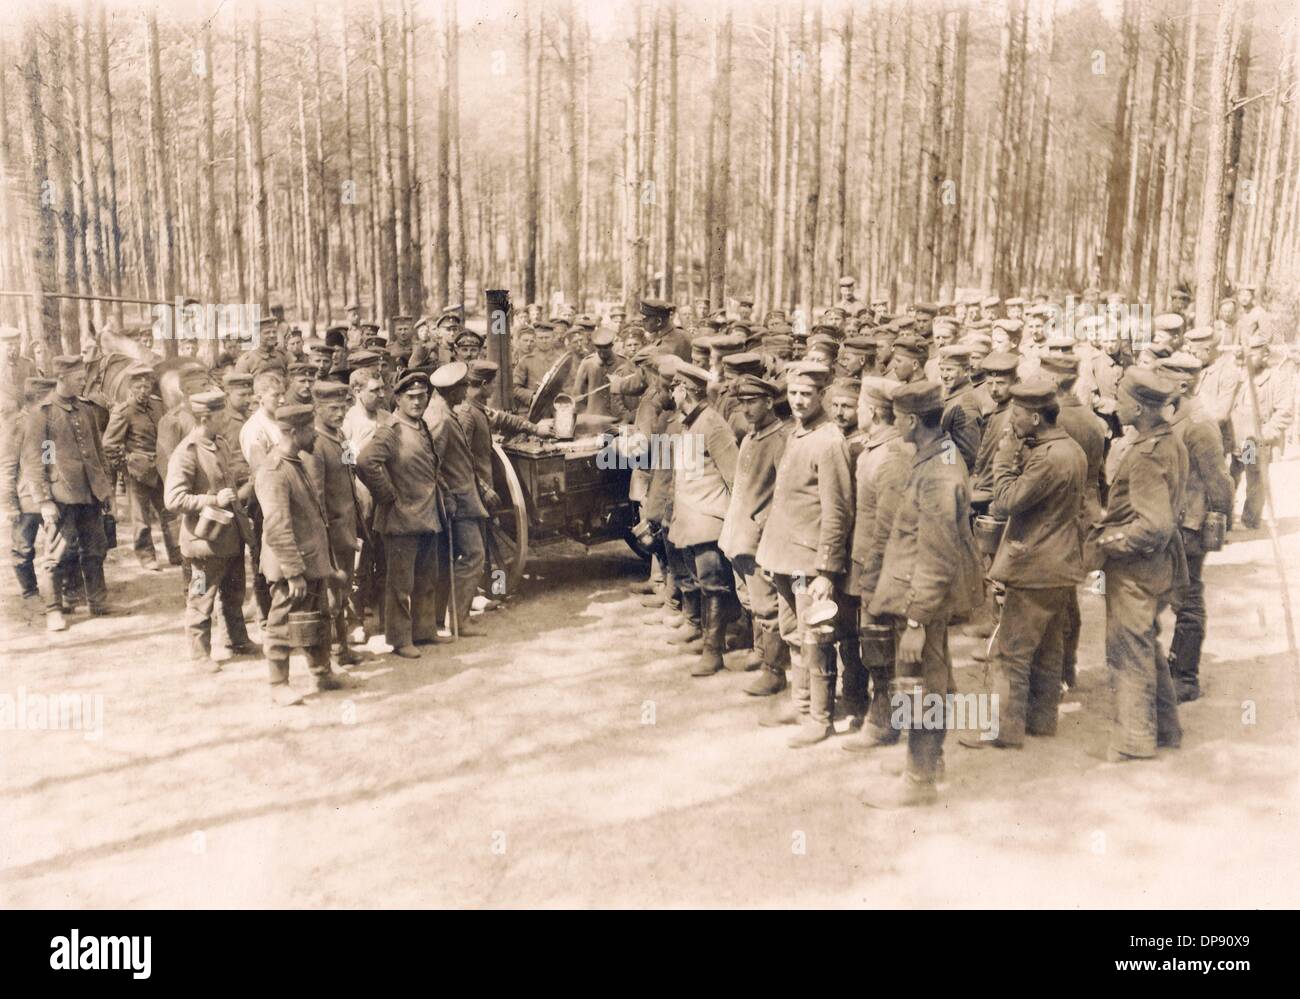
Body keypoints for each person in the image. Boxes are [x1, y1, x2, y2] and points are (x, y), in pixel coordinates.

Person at [863, 381, 984, 807]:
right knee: (933, 677)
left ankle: (919, 780)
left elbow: (935, 554)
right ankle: (930, 761)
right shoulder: (938, 454)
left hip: (924, 597)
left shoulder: (938, 472)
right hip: (923, 593)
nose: (894, 423)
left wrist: (916, 620)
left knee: (919, 684)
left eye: (897, 416)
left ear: (912, 420)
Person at [960, 378, 1085, 751]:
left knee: (1010, 653)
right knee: (1048, 649)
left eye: (1016, 414)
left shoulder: (1048, 458)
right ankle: (1042, 720)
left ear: (1034, 417)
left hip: (1034, 566)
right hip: (1061, 564)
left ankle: (1005, 729)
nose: (1011, 420)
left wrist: (1004, 457)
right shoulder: (1070, 448)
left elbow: (1007, 500)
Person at [1088, 368, 1188, 762]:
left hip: (1136, 569)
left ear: (1141, 408)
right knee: (1145, 642)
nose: (1117, 405)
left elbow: (1154, 526)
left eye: (1123, 400)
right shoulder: (1167, 440)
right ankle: (1165, 728)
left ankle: (1135, 739)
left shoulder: (1147, 455)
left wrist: (1109, 543)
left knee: (1127, 649)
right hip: (1156, 566)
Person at [755, 361, 853, 747]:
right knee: (794, 633)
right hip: (785, 559)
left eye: (807, 394)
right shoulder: (798, 434)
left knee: (816, 638)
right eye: (793, 393)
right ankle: (801, 702)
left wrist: (827, 570)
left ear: (821, 396)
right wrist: (769, 556)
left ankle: (820, 717)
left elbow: (837, 510)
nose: (798, 400)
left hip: (809, 564)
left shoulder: (829, 441)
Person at [255, 404, 357, 706]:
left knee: (317, 617)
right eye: (310, 429)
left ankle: (322, 672)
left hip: (310, 561)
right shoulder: (275, 471)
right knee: (281, 623)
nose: (315, 434)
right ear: (293, 432)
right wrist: (293, 571)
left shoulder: (295, 461)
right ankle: (278, 684)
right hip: (291, 566)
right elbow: (276, 526)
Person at [841, 377, 912, 750]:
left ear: (871, 411)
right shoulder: (873, 449)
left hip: (879, 564)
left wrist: (874, 572)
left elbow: (888, 525)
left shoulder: (891, 456)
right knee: (871, 641)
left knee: (881, 644)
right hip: (864, 560)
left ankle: (885, 722)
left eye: (858, 407)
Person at [23, 355, 119, 630]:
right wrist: (43, 500)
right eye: (78, 379)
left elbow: (98, 453)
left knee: (95, 549)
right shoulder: (43, 414)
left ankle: (97, 601)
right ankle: (54, 609)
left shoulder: (86, 409)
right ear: (62, 379)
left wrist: (106, 491)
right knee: (56, 554)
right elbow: (38, 460)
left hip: (90, 493)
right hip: (62, 494)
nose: (82, 382)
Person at [164, 390, 256, 673]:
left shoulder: (220, 443)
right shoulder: (186, 453)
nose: (225, 420)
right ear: (206, 418)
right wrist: (212, 500)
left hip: (228, 536)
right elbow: (173, 500)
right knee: (201, 596)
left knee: (233, 592)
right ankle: (199, 653)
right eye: (220, 416)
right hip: (204, 542)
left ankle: (236, 639)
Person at [1158, 353, 1233, 702]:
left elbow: (1218, 481)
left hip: (1189, 524)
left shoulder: (1200, 423)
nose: (1158, 384)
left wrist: (1218, 519)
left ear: (1184, 382)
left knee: (1188, 601)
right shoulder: (1179, 415)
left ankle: (1185, 677)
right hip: (1174, 519)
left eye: (1165, 377)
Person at [662, 361, 739, 676]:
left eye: (674, 387)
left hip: (709, 519)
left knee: (713, 585)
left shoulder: (713, 425)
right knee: (702, 581)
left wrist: (734, 525)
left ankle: (714, 651)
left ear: (685, 390)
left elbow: (734, 477)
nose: (671, 392)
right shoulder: (688, 422)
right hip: (690, 518)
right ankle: (707, 634)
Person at [719, 373, 789, 693]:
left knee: (767, 606)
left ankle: (774, 671)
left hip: (760, 539)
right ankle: (761, 655)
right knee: (749, 599)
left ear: (769, 402)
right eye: (742, 403)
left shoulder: (779, 439)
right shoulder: (750, 438)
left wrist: (760, 524)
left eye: (752, 402)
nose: (746, 409)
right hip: (739, 537)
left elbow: (784, 495)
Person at [425, 362, 490, 640]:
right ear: (451, 390)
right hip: (458, 501)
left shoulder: (444, 411)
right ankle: (459, 620)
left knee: (456, 559)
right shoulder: (440, 417)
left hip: (462, 497)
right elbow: (433, 463)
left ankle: (447, 618)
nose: (467, 390)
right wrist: (447, 496)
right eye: (463, 386)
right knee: (474, 555)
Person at [305, 380, 364, 669]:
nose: (340, 413)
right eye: (333, 408)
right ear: (317, 409)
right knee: (329, 597)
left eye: (343, 407)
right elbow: (316, 498)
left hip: (347, 529)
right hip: (332, 533)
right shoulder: (316, 445)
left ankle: (343, 650)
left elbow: (351, 473)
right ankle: (327, 658)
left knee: (341, 593)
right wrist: (325, 538)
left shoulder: (339, 435)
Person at [103, 363, 181, 571]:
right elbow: (109, 444)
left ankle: (176, 553)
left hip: (161, 469)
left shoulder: (157, 406)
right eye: (138, 387)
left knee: (169, 512)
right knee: (141, 518)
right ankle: (147, 557)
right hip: (137, 473)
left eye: (146, 387)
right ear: (130, 387)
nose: (143, 391)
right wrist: (126, 465)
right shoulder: (123, 412)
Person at [2, 376, 57, 608]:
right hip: (26, 500)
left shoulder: (49, 422)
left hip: (52, 497)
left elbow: (50, 459)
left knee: (61, 547)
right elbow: (7, 466)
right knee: (23, 548)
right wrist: (9, 504)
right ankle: (29, 592)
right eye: (48, 399)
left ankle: (60, 593)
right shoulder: (16, 424)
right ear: (36, 399)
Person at [1228, 332, 1292, 530]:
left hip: (1253, 439)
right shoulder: (1241, 375)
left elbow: (1285, 411)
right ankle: (1226, 517)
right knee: (1230, 476)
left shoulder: (1276, 378)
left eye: (1252, 354)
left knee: (1254, 477)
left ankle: (1249, 519)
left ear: (1264, 355)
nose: (1247, 358)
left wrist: (1264, 434)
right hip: (1235, 436)